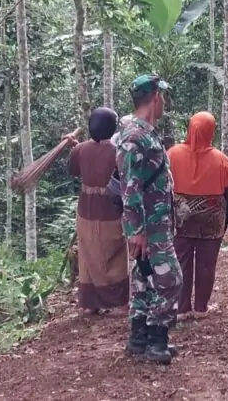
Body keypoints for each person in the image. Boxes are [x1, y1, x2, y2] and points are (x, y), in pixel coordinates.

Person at [116, 74, 182, 365]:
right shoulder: (134, 136)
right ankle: (157, 340)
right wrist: (137, 230)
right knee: (170, 280)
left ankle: (139, 338)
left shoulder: (145, 132)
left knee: (144, 279)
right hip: (148, 225)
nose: (164, 102)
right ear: (155, 97)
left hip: (155, 222)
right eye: (163, 97)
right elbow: (130, 187)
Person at [168, 111, 228, 321]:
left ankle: (181, 308)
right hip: (212, 222)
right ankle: (201, 307)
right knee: (206, 263)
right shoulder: (221, 160)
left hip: (181, 219)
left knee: (181, 262)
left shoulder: (172, 154)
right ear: (211, 130)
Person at [68, 107, 128, 316]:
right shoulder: (117, 151)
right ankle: (118, 302)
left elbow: (73, 169)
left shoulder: (81, 149)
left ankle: (89, 303)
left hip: (85, 210)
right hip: (110, 211)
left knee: (88, 255)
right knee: (115, 255)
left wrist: (75, 147)